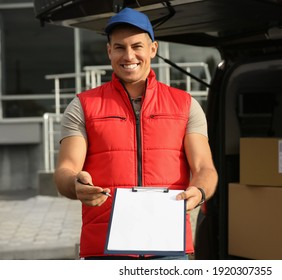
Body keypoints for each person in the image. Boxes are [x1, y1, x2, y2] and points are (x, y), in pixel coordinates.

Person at [54, 7, 218, 260]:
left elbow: (205, 168)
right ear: (109, 51)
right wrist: (76, 185)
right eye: (119, 47)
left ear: (153, 48)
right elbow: (65, 170)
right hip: (105, 249)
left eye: (137, 46)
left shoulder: (186, 105)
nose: (128, 55)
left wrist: (200, 191)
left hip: (169, 245)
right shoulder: (83, 105)